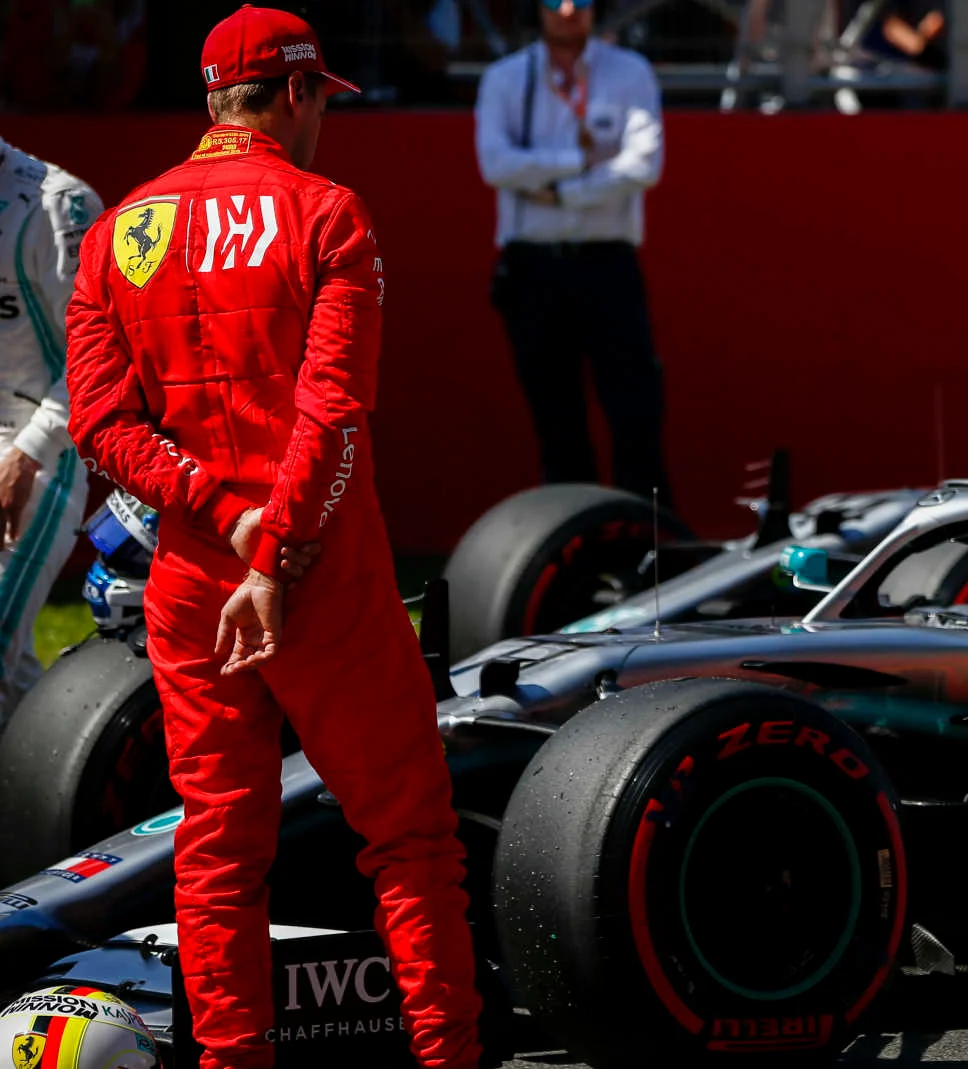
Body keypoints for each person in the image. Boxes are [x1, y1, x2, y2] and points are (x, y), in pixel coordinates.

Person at [63, 6, 483, 1069]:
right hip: (321, 569)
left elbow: (101, 427)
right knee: (409, 837)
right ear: (294, 94)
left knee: (217, 849)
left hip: (193, 577)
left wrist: (220, 515)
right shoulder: (327, 212)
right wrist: (280, 549)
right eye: (320, 100)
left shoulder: (120, 232)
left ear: (213, 101)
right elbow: (333, 413)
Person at [476, 0, 673, 506]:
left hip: (607, 263)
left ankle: (648, 546)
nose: (568, 9)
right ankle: (574, 548)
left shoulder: (630, 72)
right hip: (532, 268)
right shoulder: (506, 77)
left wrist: (561, 191)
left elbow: (643, 166)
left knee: (636, 413)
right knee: (557, 421)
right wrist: (580, 161)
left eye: (582, 0)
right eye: (555, 0)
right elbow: (496, 165)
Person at [0, 134, 100, 726]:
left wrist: (27, 452)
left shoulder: (60, 205)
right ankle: (48, 790)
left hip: (39, 449)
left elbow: (97, 353)